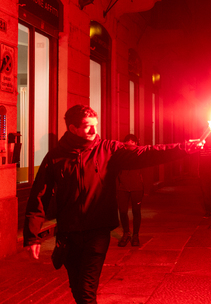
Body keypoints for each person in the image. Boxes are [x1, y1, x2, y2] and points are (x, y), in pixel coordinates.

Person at [23, 105, 200, 304]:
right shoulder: (55, 157)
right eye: (87, 126)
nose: (93, 131)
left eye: (95, 126)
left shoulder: (108, 150)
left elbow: (145, 153)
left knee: (87, 289)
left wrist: (182, 148)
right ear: (72, 128)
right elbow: (39, 196)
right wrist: (32, 236)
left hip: (97, 231)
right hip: (68, 234)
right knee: (77, 288)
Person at [116, 134, 144, 247]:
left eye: (133, 141)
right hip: (122, 187)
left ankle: (136, 235)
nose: (130, 143)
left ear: (136, 143)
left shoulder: (140, 154)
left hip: (137, 187)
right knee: (122, 211)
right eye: (128, 141)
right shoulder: (120, 155)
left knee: (136, 211)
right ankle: (126, 233)